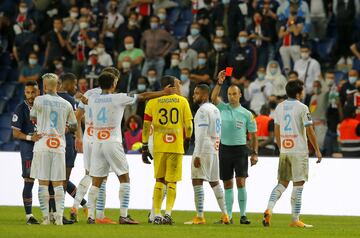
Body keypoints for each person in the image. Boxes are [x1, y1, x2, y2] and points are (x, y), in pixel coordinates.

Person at [86, 72, 175, 224]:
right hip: (112, 142)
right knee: (124, 178)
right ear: (113, 84)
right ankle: (123, 215)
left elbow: (83, 100)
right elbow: (143, 96)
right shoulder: (118, 97)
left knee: (96, 181)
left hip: (97, 143)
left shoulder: (93, 99)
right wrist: (163, 93)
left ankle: (90, 216)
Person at [262, 79, 322, 228]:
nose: (303, 93)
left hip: (285, 150)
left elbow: (276, 129)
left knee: (281, 184)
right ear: (298, 93)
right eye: (302, 90)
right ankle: (295, 220)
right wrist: (317, 149)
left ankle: (269, 208)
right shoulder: (302, 108)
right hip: (299, 151)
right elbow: (309, 130)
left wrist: (280, 146)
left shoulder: (279, 107)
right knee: (298, 185)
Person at [141, 75, 193, 225]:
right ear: (171, 86)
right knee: (172, 181)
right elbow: (188, 125)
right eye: (177, 84)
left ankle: (156, 214)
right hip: (176, 145)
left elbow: (146, 126)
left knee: (159, 180)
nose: (179, 86)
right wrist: (187, 139)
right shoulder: (182, 101)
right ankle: (168, 214)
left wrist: (144, 146)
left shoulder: (152, 102)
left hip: (158, 146)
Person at [71, 67, 121, 224]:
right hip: (102, 138)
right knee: (102, 178)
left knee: (89, 174)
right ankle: (99, 215)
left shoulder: (89, 94)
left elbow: (76, 117)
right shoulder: (111, 97)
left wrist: (78, 137)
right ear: (113, 80)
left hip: (88, 137)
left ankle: (75, 206)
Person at [211, 70, 258, 225]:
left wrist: (255, 153)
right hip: (224, 150)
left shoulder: (247, 114)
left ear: (240, 95)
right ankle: (229, 216)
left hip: (240, 150)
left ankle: (243, 215)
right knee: (227, 183)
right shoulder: (223, 108)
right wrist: (219, 83)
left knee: (241, 182)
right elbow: (212, 98)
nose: (231, 96)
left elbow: (253, 135)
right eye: (229, 94)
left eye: (234, 94)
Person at [30, 73, 77, 225]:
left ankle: (45, 218)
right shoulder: (66, 104)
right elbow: (75, 125)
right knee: (58, 183)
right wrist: (64, 129)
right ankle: (59, 218)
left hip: (43, 143)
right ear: (57, 85)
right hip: (58, 145)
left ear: (44, 87)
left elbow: (33, 116)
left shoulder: (39, 100)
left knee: (43, 183)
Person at [184, 84, 230, 225]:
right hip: (214, 149)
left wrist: (197, 155)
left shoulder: (202, 111)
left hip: (203, 150)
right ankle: (225, 215)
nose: (193, 96)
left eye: (196, 93)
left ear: (204, 95)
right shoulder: (215, 109)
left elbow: (202, 134)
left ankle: (199, 216)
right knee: (215, 182)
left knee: (197, 181)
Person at [11, 81, 41, 225]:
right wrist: (31, 137)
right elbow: (15, 133)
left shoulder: (44, 106)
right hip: (28, 150)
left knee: (52, 180)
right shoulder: (20, 108)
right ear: (24, 93)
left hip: (45, 148)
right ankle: (29, 216)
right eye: (28, 92)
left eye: (33, 92)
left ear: (38, 91)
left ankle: (53, 213)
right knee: (29, 181)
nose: (30, 95)